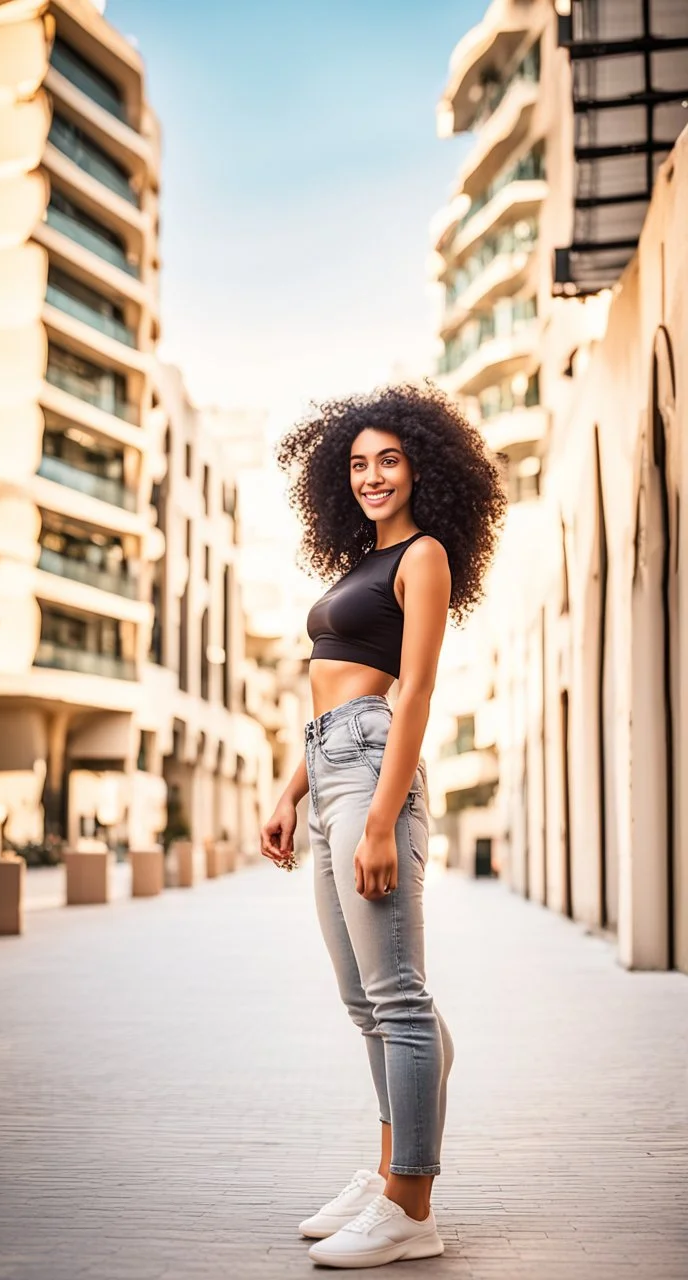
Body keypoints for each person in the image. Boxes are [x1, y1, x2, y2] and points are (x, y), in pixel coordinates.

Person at [260, 382, 506, 1269]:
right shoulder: (358, 566)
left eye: (388, 461)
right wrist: (292, 789)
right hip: (329, 758)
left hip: (371, 771)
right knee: (367, 1000)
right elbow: (334, 690)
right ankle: (386, 1167)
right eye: (358, 464)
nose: (372, 476)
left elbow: (412, 695)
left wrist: (378, 817)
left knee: (397, 995)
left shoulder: (425, 557)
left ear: (421, 469)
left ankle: (411, 1202)